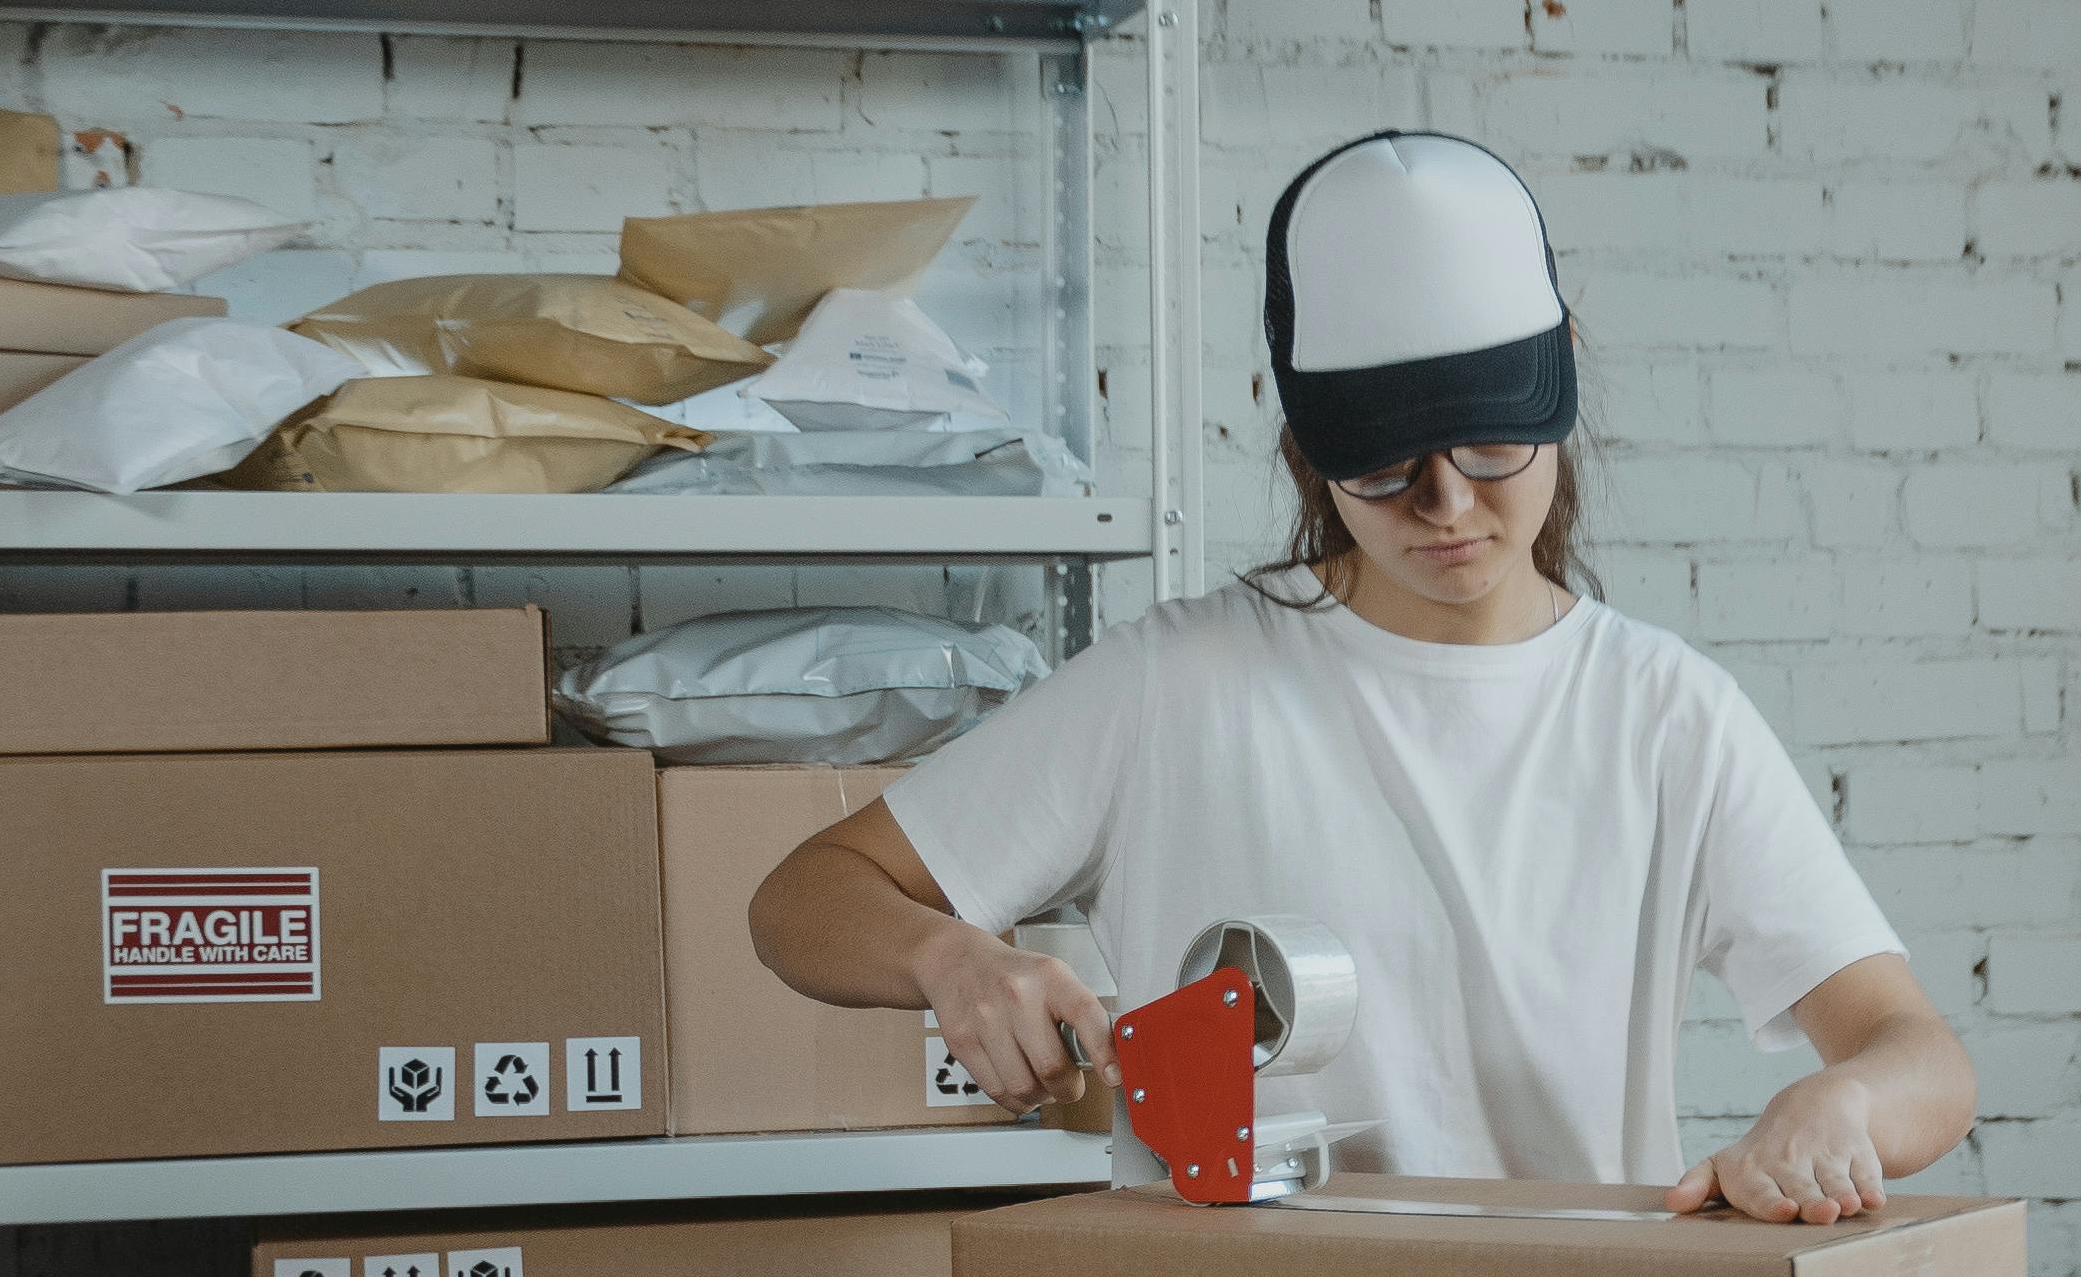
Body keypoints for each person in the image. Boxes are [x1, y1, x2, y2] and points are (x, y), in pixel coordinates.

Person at [748, 126, 1975, 1218]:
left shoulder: (1664, 718)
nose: (1445, 505)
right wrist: (949, 958)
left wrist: (1844, 1109)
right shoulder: (1175, 688)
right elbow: (803, 899)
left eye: (1491, 447)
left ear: (1555, 402)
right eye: (1385, 467)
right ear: (1307, 454)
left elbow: (1917, 1051)